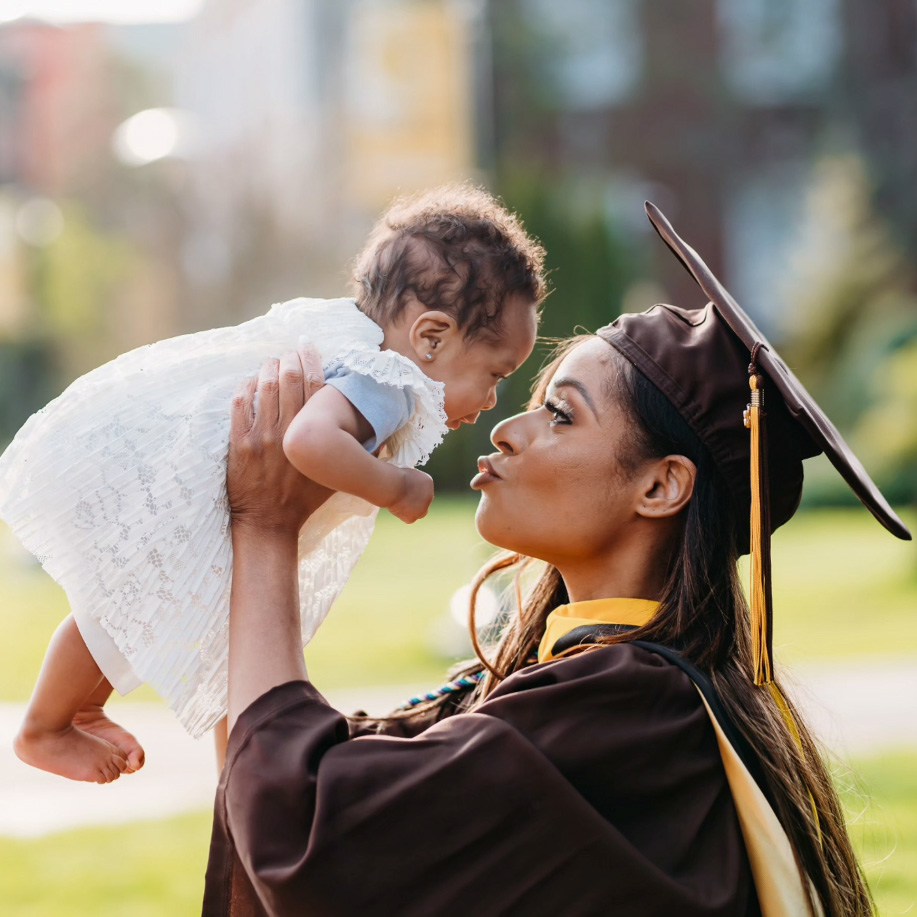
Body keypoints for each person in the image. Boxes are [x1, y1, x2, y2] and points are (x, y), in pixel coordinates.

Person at [202, 202, 910, 917]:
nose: (507, 429)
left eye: (560, 414)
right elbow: (280, 780)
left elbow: (309, 829)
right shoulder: (583, 684)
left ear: (660, 485)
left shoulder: (633, 706)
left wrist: (264, 527)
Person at [0, 185, 545, 785]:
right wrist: (395, 486)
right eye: (494, 373)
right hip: (209, 499)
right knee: (125, 608)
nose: (493, 400)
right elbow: (308, 442)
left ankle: (173, 751)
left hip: (205, 492)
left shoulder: (359, 351)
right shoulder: (384, 381)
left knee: (170, 620)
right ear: (432, 336)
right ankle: (48, 725)